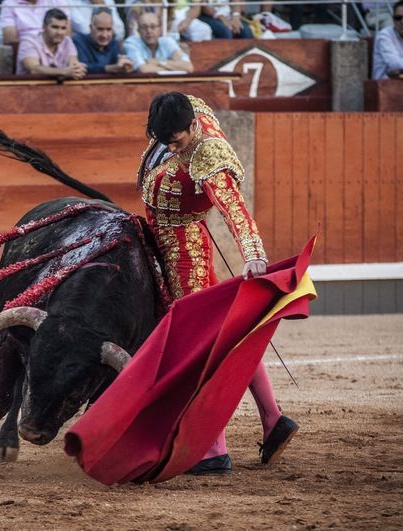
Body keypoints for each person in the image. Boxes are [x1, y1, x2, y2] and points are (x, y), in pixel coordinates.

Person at [137, 92, 298, 474]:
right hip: (168, 235)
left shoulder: (208, 155)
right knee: (227, 335)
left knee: (200, 348)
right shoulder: (185, 109)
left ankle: (213, 450)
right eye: (164, 140)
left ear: (193, 126)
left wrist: (253, 254)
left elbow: (234, 209)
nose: (170, 147)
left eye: (176, 141)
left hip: (184, 250)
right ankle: (273, 418)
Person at [17, 8, 86, 79]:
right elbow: (34, 69)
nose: (59, 32)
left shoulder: (67, 41)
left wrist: (77, 70)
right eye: (55, 27)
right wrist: (64, 72)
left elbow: (73, 64)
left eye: (63, 28)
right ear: (44, 27)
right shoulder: (28, 42)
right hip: (29, 87)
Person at [123, 12, 193, 73]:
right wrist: (174, 67)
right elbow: (144, 69)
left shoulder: (167, 42)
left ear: (160, 30)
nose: (149, 31)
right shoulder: (131, 43)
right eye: (144, 27)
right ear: (138, 30)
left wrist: (158, 62)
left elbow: (188, 67)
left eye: (153, 27)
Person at [72, 7, 133, 75]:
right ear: (91, 28)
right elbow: (83, 67)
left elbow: (118, 65)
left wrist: (124, 65)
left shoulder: (114, 44)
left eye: (108, 29)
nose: (104, 35)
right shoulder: (79, 41)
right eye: (100, 29)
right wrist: (109, 68)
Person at [0, 0, 70, 45]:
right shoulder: (9, 3)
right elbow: (10, 39)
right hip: (26, 49)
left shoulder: (57, 1)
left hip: (57, 47)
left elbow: (67, 32)